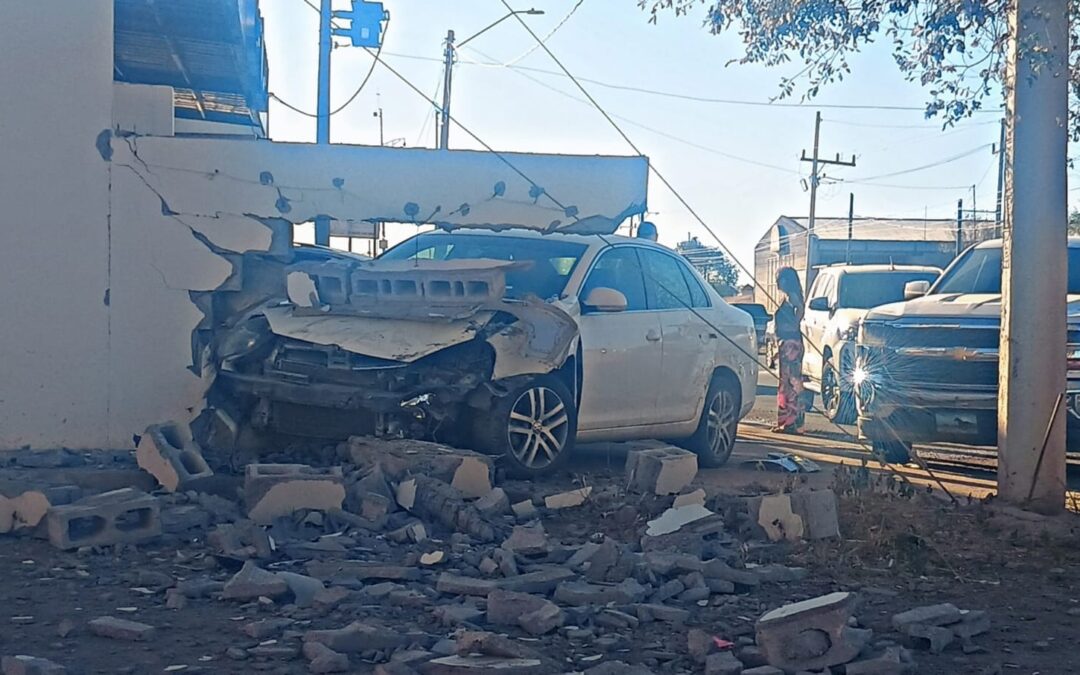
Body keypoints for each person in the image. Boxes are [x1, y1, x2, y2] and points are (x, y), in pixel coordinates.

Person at [772, 266, 806, 433]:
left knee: (790, 383)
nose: (776, 282)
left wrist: (795, 323)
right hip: (786, 343)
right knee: (788, 382)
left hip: (790, 344)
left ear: (786, 281)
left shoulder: (792, 297)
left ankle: (790, 422)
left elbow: (799, 309)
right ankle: (787, 421)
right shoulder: (787, 297)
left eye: (778, 279)